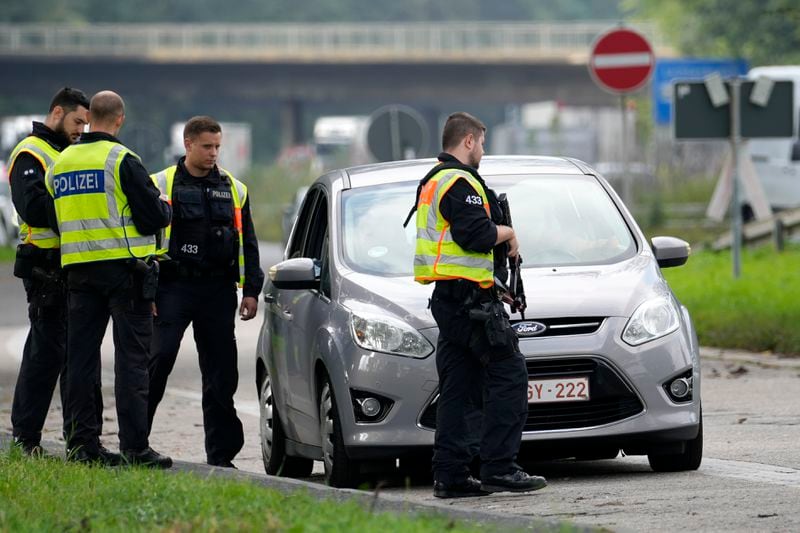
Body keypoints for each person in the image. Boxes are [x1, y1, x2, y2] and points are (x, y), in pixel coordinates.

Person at [411, 112, 547, 498]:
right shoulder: (459, 181)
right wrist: (509, 232)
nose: (484, 151)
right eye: (482, 143)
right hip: (470, 303)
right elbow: (476, 235)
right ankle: (500, 468)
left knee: (460, 387)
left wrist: (494, 283)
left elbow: (457, 246)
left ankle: (451, 475)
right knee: (509, 374)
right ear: (468, 141)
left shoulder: (435, 180)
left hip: (453, 299)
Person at [46, 90, 173, 467]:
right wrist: (165, 206)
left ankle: (82, 447)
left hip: (78, 272)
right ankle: (135, 448)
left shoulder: (61, 162)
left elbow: (55, 218)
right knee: (131, 362)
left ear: (89, 119)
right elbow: (153, 216)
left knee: (80, 362)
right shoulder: (121, 159)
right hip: (124, 272)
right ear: (119, 119)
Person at [147, 116, 264, 468]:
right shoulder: (160, 184)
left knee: (221, 374)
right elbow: (144, 241)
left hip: (217, 289)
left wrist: (251, 290)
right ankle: (135, 442)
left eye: (217, 146)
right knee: (158, 360)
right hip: (173, 287)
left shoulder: (234, 188)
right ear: (188, 145)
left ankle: (221, 456)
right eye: (207, 146)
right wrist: (148, 292)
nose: (214, 153)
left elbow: (248, 244)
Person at [8, 87, 91, 456]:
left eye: (86, 124)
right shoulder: (31, 153)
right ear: (57, 112)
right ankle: (25, 438)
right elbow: (34, 208)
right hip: (43, 265)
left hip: (71, 263)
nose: (81, 130)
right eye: (77, 122)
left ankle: (81, 442)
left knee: (76, 355)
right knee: (45, 354)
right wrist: (80, 209)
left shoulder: (68, 153)